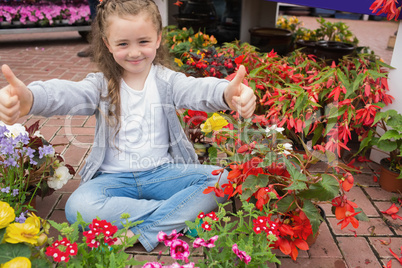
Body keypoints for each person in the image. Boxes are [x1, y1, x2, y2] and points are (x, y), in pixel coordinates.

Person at [0, 0, 256, 252]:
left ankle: (148, 229)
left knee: (222, 178)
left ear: (157, 38)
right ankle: (180, 214)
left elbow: (198, 89)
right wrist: (31, 98)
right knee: (79, 207)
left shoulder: (168, 81)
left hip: (162, 175)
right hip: (113, 181)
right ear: (107, 44)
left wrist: (226, 93)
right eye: (123, 44)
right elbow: (68, 94)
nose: (134, 52)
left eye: (143, 42)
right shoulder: (100, 85)